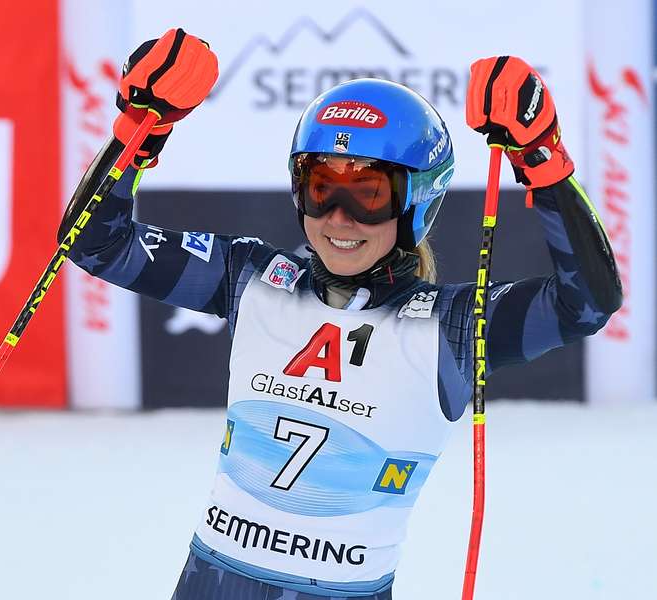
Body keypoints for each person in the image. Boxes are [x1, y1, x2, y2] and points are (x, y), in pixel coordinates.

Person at [59, 29, 622, 600]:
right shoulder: (252, 277)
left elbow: (586, 303)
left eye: (369, 193)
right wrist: (138, 131)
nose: (338, 217)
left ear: (417, 202)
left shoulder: (451, 328)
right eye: (320, 186)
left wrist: (541, 158)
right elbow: (97, 245)